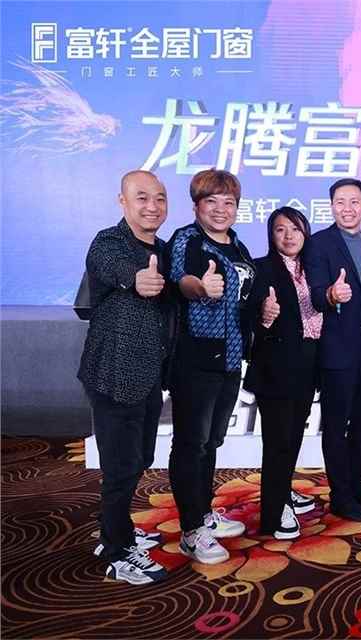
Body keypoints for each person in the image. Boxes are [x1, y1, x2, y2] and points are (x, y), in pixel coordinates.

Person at [77, 170, 173, 584]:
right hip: (112, 374)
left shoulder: (165, 249)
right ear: (123, 201)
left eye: (159, 198)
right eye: (142, 197)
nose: (152, 206)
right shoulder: (108, 241)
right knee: (120, 466)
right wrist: (137, 278)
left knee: (139, 459)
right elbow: (111, 267)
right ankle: (117, 551)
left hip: (148, 375)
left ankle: (115, 531)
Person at [166, 169, 255, 564]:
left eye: (228, 202)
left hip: (231, 359)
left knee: (211, 442)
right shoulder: (187, 239)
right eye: (211, 201)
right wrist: (200, 287)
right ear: (196, 206)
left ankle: (203, 514)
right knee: (191, 444)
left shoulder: (237, 245)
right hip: (196, 359)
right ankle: (191, 531)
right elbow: (181, 280)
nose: (221, 209)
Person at [304, 178, 361, 522]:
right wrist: (332, 295)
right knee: (336, 424)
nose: (347, 209)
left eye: (354, 202)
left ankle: (356, 484)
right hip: (336, 348)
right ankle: (340, 495)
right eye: (340, 202)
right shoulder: (319, 244)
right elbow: (315, 295)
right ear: (331, 206)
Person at [244, 207, 320, 540]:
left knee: (293, 436)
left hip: (307, 363)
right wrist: (263, 314)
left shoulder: (313, 269)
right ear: (271, 235)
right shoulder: (261, 268)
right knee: (278, 441)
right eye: (280, 229)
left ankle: (282, 489)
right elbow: (245, 314)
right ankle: (274, 513)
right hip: (276, 366)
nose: (289, 236)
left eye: (295, 229)